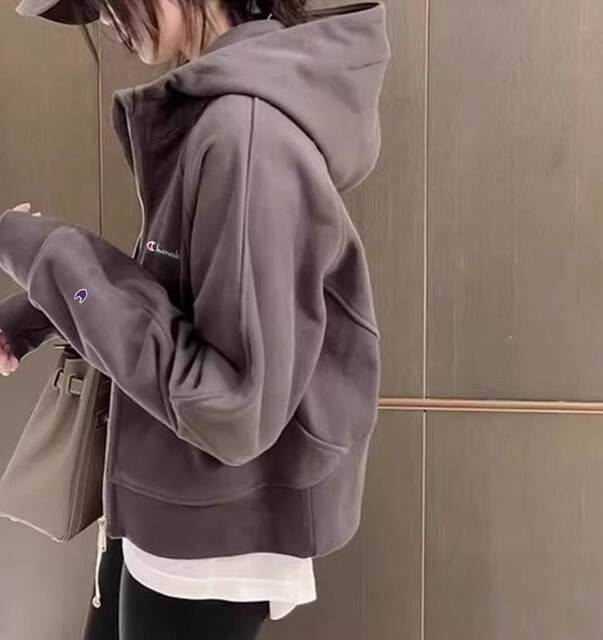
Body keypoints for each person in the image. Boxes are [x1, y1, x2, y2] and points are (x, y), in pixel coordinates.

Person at [0, 0, 390, 638]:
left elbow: (233, 405)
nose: (103, 18)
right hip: (177, 504)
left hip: (208, 538)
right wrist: (46, 308)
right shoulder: (230, 111)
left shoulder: (247, 131)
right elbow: (187, 298)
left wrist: (50, 257)